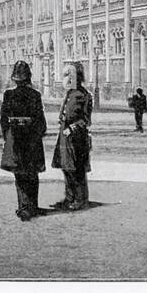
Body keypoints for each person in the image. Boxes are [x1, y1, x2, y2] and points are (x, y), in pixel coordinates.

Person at [0, 60, 48, 221]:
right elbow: (41, 120)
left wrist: (7, 136)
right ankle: (31, 206)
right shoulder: (36, 94)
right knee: (32, 173)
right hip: (32, 138)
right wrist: (38, 134)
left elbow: (3, 119)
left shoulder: (8, 94)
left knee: (19, 174)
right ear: (28, 78)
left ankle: (24, 206)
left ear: (15, 78)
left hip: (15, 137)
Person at [51, 61, 93, 210]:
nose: (66, 78)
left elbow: (86, 120)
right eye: (66, 75)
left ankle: (80, 199)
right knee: (66, 167)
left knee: (77, 169)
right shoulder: (69, 93)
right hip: (64, 136)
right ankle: (69, 197)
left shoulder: (84, 95)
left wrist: (73, 128)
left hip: (76, 138)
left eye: (70, 75)